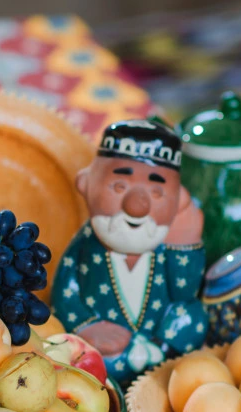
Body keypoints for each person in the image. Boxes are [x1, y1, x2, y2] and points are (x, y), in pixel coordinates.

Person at [52, 118, 207, 384]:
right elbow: (65, 291)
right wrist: (87, 326)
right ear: (86, 184)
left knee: (193, 316)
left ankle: (159, 356)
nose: (137, 206)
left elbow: (184, 293)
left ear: (178, 200)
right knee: (96, 363)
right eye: (119, 187)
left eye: (157, 193)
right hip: (106, 352)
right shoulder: (85, 245)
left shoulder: (167, 245)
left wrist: (185, 245)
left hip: (161, 343)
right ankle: (137, 366)